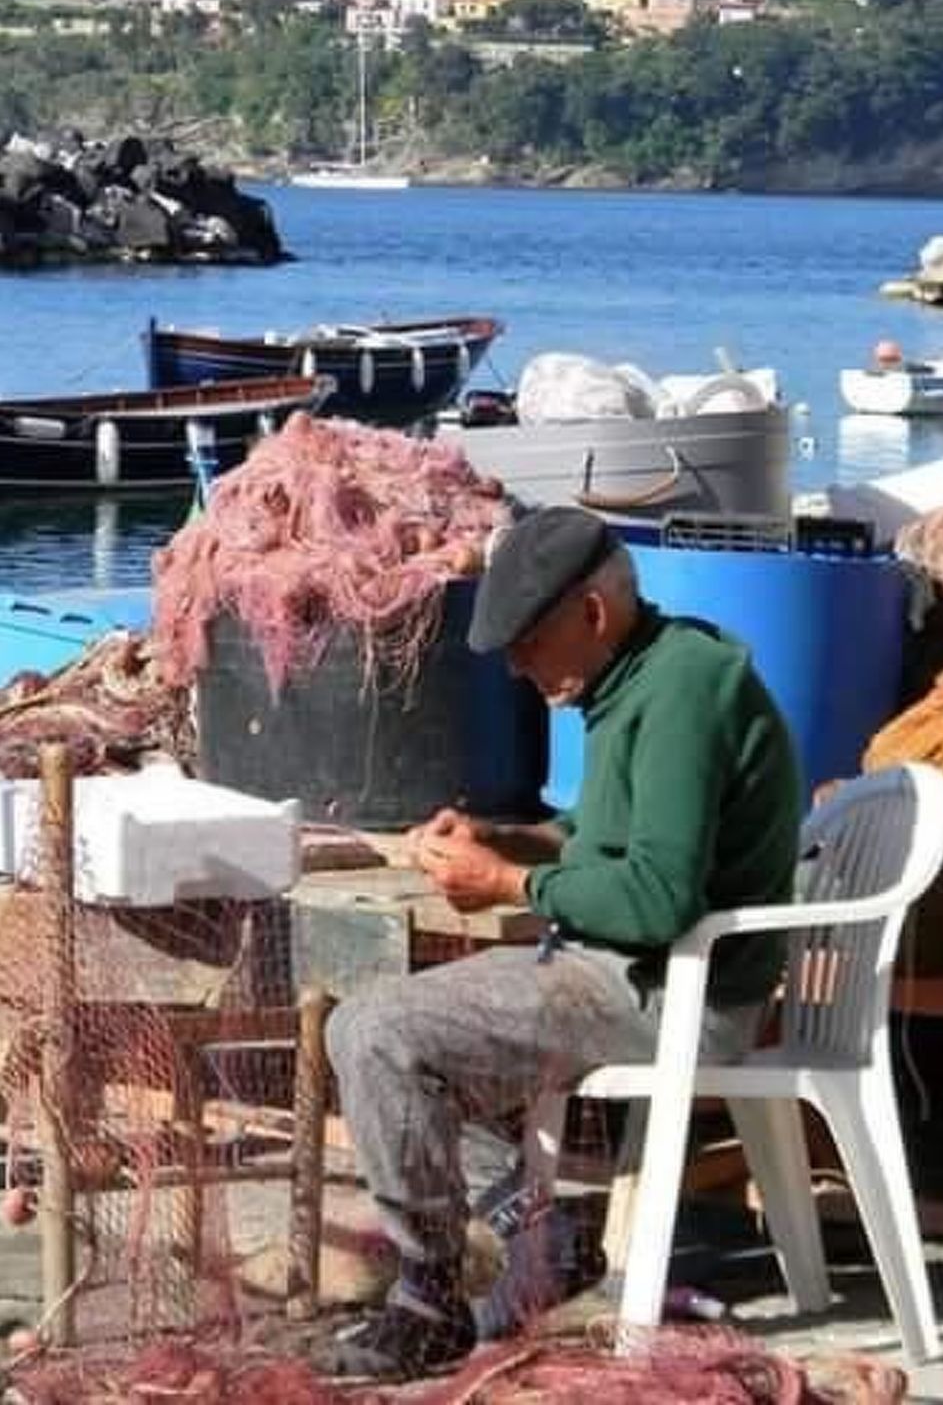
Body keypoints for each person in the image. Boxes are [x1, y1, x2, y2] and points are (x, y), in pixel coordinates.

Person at [323, 505, 805, 1381]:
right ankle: (540, 1228)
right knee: (391, 1041)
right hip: (622, 968)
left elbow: (658, 898)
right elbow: (604, 834)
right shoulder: (643, 674)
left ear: (590, 614)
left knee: (374, 1032)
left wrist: (507, 886)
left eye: (527, 643)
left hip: (672, 993)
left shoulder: (684, 690)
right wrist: (509, 839)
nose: (515, 665)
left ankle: (431, 1298)